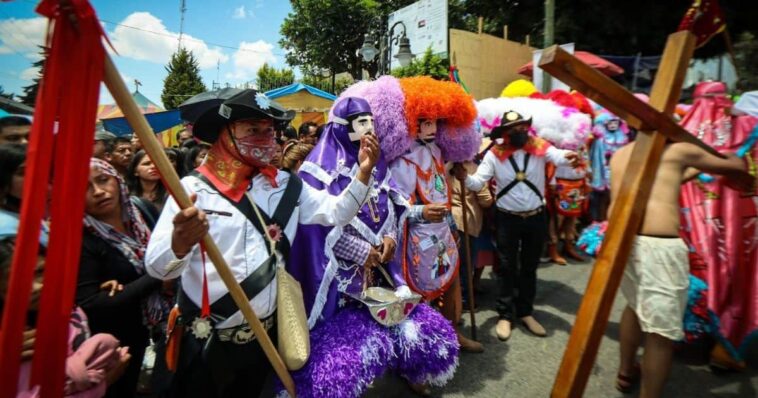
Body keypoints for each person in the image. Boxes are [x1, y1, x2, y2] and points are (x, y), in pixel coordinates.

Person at [144, 89, 379, 398]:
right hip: (203, 343)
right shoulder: (193, 188)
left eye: (269, 130)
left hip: (263, 343)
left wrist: (363, 172)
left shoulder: (288, 185)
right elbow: (157, 267)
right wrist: (179, 243)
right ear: (226, 133)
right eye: (252, 129)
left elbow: (337, 212)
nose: (264, 137)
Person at [287, 97, 459, 397]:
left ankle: (410, 370)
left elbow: (392, 203)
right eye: (360, 121)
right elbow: (316, 230)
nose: (368, 128)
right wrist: (361, 251)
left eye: (371, 121)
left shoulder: (378, 163)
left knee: (396, 322)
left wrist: (391, 237)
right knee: (348, 345)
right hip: (342, 277)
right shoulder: (313, 174)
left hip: (383, 268)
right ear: (341, 127)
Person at [609, 137, 753, 397]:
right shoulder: (679, 150)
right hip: (659, 247)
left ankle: (626, 371)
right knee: (660, 334)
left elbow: (659, 179)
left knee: (634, 305)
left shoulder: (620, 154)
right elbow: (734, 164)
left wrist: (697, 165)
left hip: (624, 243)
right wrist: (734, 151)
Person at [454, 111, 580, 341]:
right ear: (504, 133)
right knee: (506, 266)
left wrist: (569, 156)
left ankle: (525, 312)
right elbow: (477, 182)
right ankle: (505, 315)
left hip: (535, 217)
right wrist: (463, 177)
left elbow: (558, 156)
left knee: (530, 267)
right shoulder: (494, 154)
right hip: (507, 219)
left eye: (523, 127)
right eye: (514, 129)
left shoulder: (540, 147)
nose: (520, 132)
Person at [384, 76, 483, 353]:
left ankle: (453, 335)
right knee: (419, 296)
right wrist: (421, 211)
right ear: (412, 122)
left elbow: (441, 185)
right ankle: (419, 354)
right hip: (417, 238)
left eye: (435, 120)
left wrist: (458, 172)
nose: (432, 126)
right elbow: (395, 205)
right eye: (425, 120)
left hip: (444, 232)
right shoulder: (402, 160)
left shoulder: (438, 151)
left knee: (452, 284)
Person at [76, 158, 167, 398]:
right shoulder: (80, 239)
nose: (98, 191)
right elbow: (91, 304)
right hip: (118, 348)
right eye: (85, 187)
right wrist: (158, 277)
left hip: (163, 330)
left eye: (103, 180)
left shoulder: (142, 211)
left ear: (117, 180)